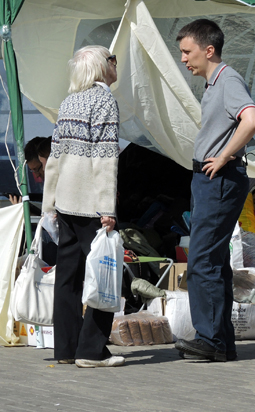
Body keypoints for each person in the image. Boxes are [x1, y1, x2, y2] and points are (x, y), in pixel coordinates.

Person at [174, 19, 255, 362]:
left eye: (187, 51)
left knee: (201, 260)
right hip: (210, 180)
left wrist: (224, 156)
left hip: (219, 179)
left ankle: (209, 339)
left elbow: (251, 119)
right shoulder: (214, 84)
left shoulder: (227, 80)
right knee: (214, 260)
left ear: (208, 50)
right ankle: (220, 340)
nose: (183, 59)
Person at [42, 45, 123, 368]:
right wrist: (108, 207)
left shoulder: (69, 101)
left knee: (68, 277)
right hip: (91, 204)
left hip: (65, 201)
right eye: (113, 60)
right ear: (103, 66)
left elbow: (54, 157)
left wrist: (49, 203)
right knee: (105, 272)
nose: (116, 65)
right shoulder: (104, 101)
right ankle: (91, 351)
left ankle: (65, 348)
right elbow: (105, 159)